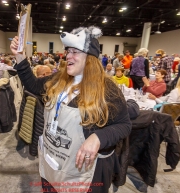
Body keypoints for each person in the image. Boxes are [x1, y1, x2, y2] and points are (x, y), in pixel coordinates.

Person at [10, 26, 131, 193]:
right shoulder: (59, 79)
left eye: (75, 51)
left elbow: (124, 124)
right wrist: (19, 56)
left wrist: (99, 137)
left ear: (90, 58)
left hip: (81, 174)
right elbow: (32, 85)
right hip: (52, 164)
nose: (68, 56)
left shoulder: (107, 89)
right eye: (68, 51)